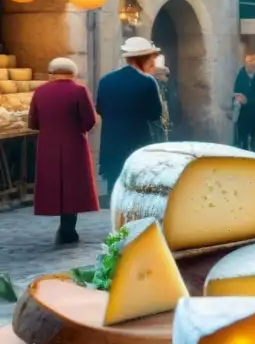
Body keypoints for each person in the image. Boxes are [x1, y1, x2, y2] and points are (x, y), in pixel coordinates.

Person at [29, 58, 100, 245]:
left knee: (54, 185)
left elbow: (33, 122)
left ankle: (65, 228)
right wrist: (79, 128)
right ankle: (68, 228)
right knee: (73, 186)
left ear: (51, 73)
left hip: (48, 146)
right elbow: (90, 120)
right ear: (73, 73)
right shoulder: (79, 90)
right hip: (74, 144)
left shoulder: (40, 91)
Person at [96, 37, 164, 196]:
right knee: (137, 190)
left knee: (115, 189)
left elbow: (100, 109)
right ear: (144, 59)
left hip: (111, 142)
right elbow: (155, 114)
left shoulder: (106, 80)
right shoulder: (147, 81)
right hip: (137, 142)